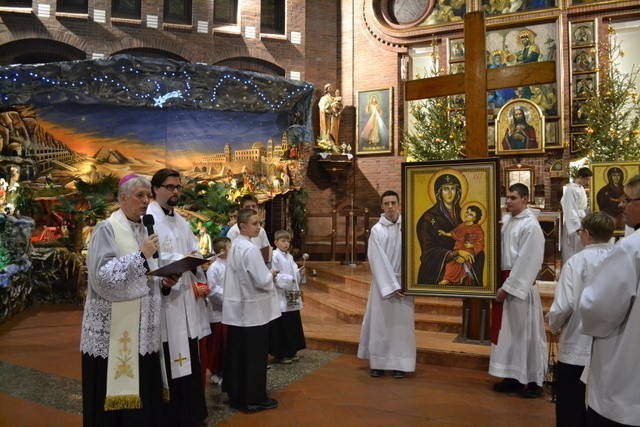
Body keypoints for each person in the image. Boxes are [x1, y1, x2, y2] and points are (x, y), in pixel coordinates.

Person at [80, 174, 176, 426]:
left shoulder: (146, 228)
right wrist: (141, 255)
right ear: (123, 199)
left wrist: (163, 281)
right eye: (140, 196)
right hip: (116, 333)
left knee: (145, 391)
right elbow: (102, 278)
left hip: (144, 330)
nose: (146, 201)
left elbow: (148, 273)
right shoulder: (107, 229)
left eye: (148, 196)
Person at [147, 168, 208, 427]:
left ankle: (192, 415)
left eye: (178, 187)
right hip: (165, 301)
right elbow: (149, 260)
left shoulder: (180, 220)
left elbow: (191, 249)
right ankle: (173, 418)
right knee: (170, 356)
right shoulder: (148, 220)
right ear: (156, 189)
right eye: (170, 187)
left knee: (189, 357)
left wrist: (196, 260)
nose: (175, 191)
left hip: (183, 300)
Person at [579, 174, 640, 425]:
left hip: (627, 377)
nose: (622, 205)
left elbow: (598, 308)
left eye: (628, 199)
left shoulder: (631, 248)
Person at [548, 212, 614, 427]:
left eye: (580, 232)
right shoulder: (620, 258)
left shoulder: (576, 262)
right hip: (612, 342)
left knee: (571, 399)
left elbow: (564, 305)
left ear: (587, 234)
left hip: (578, 340)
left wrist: (554, 324)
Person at [490, 183, 547, 398]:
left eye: (513, 198)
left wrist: (508, 287)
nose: (509, 202)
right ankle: (512, 377)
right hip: (504, 283)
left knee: (526, 334)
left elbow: (528, 261)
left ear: (525, 199)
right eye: (507, 198)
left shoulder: (531, 226)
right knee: (509, 335)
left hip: (519, 288)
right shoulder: (506, 221)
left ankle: (533, 381)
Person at [222, 208, 281, 412]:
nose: (258, 227)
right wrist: (271, 272)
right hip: (253, 313)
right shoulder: (249, 249)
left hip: (239, 312)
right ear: (242, 226)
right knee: (254, 358)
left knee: (239, 356)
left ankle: (237, 395)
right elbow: (262, 280)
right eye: (254, 224)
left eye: (259, 223)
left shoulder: (236, 246)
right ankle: (254, 398)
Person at [358, 191, 416, 379]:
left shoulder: (408, 227)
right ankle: (379, 363)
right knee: (380, 325)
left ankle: (401, 364)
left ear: (399, 204)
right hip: (384, 285)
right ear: (382, 207)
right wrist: (391, 285)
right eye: (386, 203)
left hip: (404, 283)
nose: (390, 206)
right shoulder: (377, 230)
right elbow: (376, 259)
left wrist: (407, 282)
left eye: (393, 202)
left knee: (402, 327)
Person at [416, 173, 484, 286]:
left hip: (466, 266)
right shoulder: (427, 218)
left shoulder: (465, 216)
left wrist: (468, 255)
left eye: (453, 189)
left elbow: (478, 243)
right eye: (445, 189)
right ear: (439, 193)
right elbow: (428, 252)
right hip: (438, 270)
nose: (450, 193)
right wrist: (456, 253)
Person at [270, 229, 307, 364]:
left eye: (288, 241)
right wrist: (290, 278)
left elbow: (294, 272)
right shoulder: (274, 256)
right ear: (276, 242)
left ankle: (291, 350)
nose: (286, 244)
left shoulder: (289, 257)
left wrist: (299, 273)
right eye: (283, 241)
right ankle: (281, 353)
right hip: (281, 295)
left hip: (291, 293)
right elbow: (275, 275)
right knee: (283, 324)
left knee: (292, 322)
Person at [203, 236, 231, 387]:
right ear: (221, 251)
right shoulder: (215, 267)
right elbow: (212, 290)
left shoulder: (230, 264)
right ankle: (215, 372)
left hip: (230, 312)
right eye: (229, 247)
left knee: (227, 344)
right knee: (217, 345)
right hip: (218, 312)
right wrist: (229, 298)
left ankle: (227, 371)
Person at [437, 204, 485, 286]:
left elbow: (480, 242)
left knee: (460, 262)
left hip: (469, 250)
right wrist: (445, 233)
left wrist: (472, 245)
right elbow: (453, 233)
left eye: (470, 214)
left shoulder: (477, 229)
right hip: (459, 248)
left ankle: (459, 276)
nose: (467, 215)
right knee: (450, 264)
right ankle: (447, 279)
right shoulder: (461, 226)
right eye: (467, 212)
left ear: (475, 218)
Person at [560, 167, 593, 264]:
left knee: (579, 250)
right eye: (587, 179)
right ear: (581, 177)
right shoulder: (571, 190)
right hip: (574, 224)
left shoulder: (580, 188)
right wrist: (577, 227)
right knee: (571, 251)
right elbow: (570, 209)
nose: (587, 182)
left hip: (581, 221)